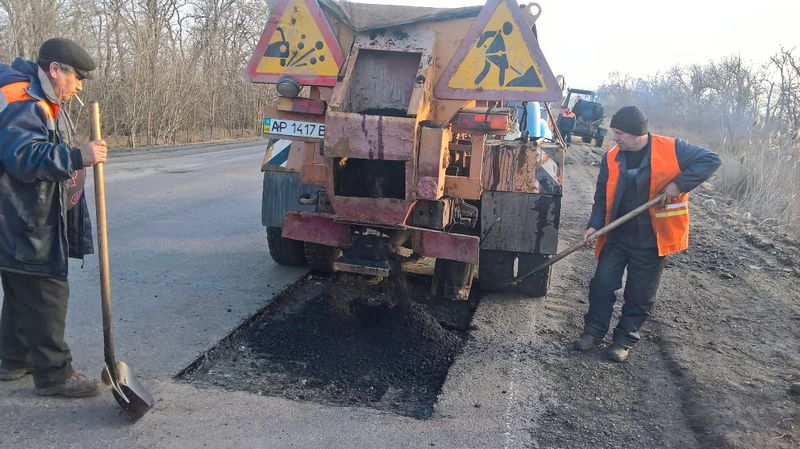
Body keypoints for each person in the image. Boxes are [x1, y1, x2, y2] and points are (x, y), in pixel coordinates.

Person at [0, 38, 108, 396]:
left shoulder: (43, 99)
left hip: (19, 217)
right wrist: (78, 157)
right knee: (47, 289)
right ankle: (54, 375)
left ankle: (14, 360)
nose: (78, 86)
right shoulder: (24, 101)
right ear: (55, 70)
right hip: (22, 216)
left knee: (21, 287)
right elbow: (24, 158)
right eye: (76, 77)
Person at [574, 106, 721, 362]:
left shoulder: (672, 148)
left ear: (636, 133)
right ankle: (593, 332)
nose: (615, 138)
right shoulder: (611, 157)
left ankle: (623, 341)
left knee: (639, 294)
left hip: (653, 239)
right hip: (617, 235)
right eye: (613, 133)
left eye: (619, 133)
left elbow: (711, 159)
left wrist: (679, 184)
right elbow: (600, 197)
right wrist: (594, 225)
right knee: (602, 285)